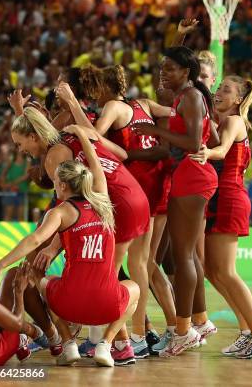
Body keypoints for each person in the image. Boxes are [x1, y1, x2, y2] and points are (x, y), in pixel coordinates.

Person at [0, 125, 140, 367]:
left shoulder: (60, 212)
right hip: (106, 305)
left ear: (64, 186)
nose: (54, 185)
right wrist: (84, 138)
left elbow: (34, 240)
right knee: (134, 288)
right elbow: (96, 165)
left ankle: (65, 342)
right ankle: (105, 345)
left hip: (70, 304)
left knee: (35, 277)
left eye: (56, 182)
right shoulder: (104, 202)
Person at [71, 64, 173, 358]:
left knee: (124, 266)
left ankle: (124, 336)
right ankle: (150, 331)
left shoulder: (113, 107)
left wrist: (74, 112)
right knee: (145, 264)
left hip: (131, 189)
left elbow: (92, 136)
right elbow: (176, 111)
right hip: (154, 190)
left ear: (104, 89)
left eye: (96, 91)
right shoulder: (144, 104)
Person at [132, 46, 217, 356]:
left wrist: (155, 130)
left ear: (185, 71)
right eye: (162, 67)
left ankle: (183, 331)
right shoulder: (190, 97)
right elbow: (212, 140)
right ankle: (195, 324)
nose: (163, 73)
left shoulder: (191, 96)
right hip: (193, 175)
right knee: (187, 257)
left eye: (169, 68)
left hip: (192, 178)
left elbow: (195, 142)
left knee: (183, 258)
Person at [190, 76, 252, 358]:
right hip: (221, 198)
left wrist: (208, 153)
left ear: (239, 99)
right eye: (218, 88)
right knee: (213, 271)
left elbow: (223, 149)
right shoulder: (225, 121)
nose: (219, 92)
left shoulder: (234, 121)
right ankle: (246, 330)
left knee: (225, 271)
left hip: (229, 197)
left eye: (226, 89)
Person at [0, 263, 35, 365]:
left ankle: (30, 336)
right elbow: (17, 324)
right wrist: (19, 292)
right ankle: (33, 337)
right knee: (15, 274)